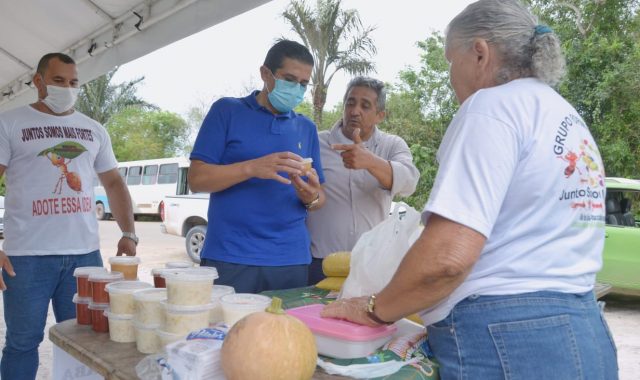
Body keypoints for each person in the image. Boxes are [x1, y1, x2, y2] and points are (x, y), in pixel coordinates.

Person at [321, 1, 618, 378]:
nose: (450, 75)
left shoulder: (491, 108)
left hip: (509, 336)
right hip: (584, 328)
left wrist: (373, 308)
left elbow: (447, 259)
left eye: (450, 61)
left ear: (479, 53)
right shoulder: (564, 114)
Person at [0, 52, 137, 380]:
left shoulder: (93, 129)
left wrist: (129, 233)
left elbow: (114, 182)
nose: (67, 88)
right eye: (58, 80)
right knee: (22, 342)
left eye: (73, 82)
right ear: (38, 82)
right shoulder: (10, 122)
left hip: (84, 258)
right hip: (25, 258)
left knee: (87, 342)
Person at [188, 39, 325, 294]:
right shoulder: (227, 111)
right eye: (289, 79)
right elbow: (197, 179)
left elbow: (319, 199)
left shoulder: (306, 128)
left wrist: (312, 196)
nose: (296, 89)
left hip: (291, 259)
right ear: (265, 74)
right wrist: (252, 167)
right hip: (230, 257)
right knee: (229, 332)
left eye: (303, 84)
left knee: (284, 333)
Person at [305, 76, 419, 284]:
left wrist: (371, 162)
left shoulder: (392, 145)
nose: (355, 111)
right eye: (350, 102)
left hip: (370, 263)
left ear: (380, 115)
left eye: (365, 106)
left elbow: (409, 183)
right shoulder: (317, 142)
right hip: (319, 262)